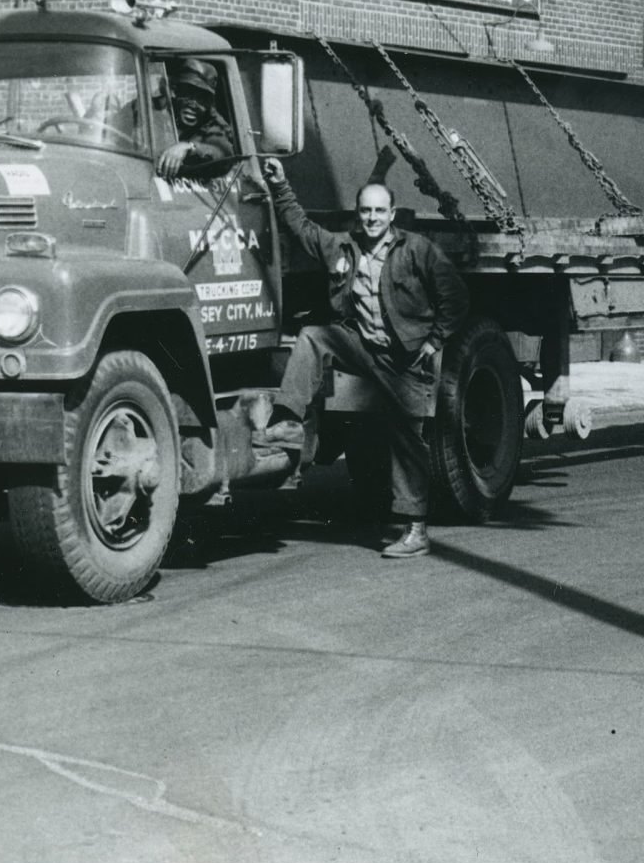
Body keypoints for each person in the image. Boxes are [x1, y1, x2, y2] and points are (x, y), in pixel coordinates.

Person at [253, 161, 468, 560]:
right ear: (358, 214)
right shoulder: (342, 248)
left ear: (392, 214)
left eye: (379, 211)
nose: (372, 218)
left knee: (407, 438)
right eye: (365, 211)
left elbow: (455, 297)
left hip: (404, 358)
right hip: (361, 346)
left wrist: (433, 343)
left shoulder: (416, 250)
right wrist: (280, 184)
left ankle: (415, 530)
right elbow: (301, 227)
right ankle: (287, 420)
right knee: (314, 336)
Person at [154, 58, 240, 180]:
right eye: (188, 94)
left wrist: (190, 148)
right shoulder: (150, 108)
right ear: (175, 92)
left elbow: (223, 152)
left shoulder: (211, 120)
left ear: (209, 102)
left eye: (202, 98)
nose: (194, 104)